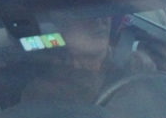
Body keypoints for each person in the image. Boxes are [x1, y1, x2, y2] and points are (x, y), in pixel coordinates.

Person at [19, 13, 155, 104]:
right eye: (85, 15)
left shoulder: (138, 66)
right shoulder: (42, 90)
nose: (98, 21)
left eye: (103, 11)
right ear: (63, 28)